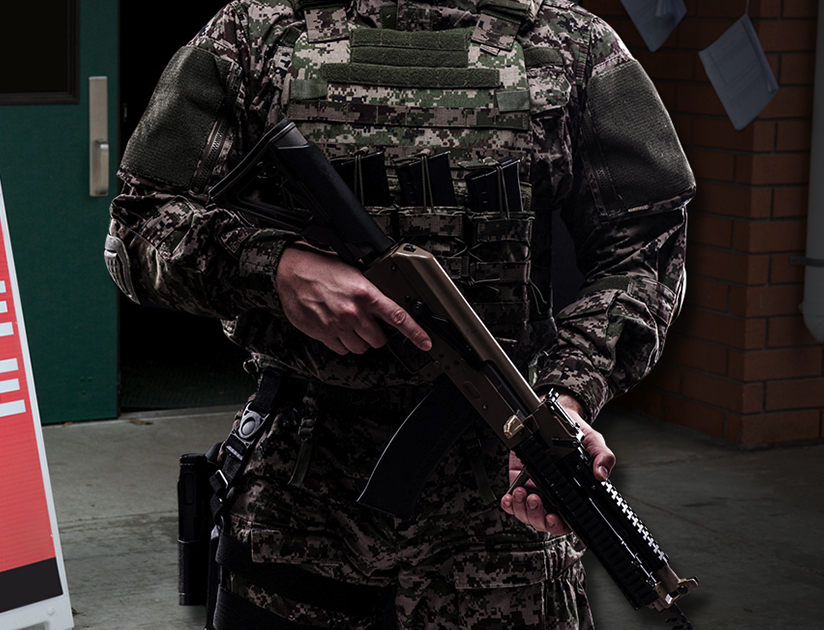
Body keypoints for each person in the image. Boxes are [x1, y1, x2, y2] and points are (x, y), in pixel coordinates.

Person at [106, 0, 693, 627]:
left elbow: (646, 251)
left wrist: (568, 398)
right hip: (299, 512)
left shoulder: (570, 44)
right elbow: (139, 230)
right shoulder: (257, 32)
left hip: (502, 524)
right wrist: (276, 268)